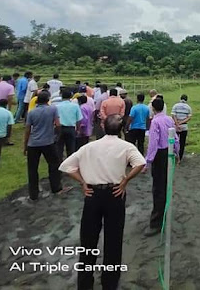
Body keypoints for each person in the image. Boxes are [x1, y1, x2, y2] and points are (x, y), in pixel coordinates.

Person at [59, 114, 146, 290]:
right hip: (115, 193)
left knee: (88, 241)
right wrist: (126, 181)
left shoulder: (89, 147)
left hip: (92, 195)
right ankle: (110, 284)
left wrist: (83, 182)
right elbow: (140, 163)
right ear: (121, 129)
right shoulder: (126, 146)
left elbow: (67, 166)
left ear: (103, 126)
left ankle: (85, 284)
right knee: (114, 241)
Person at [144, 98, 179, 237]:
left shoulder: (155, 122)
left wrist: (148, 161)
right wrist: (177, 151)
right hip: (168, 153)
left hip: (159, 155)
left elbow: (153, 143)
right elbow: (175, 137)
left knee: (158, 188)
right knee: (165, 185)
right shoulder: (169, 119)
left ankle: (156, 223)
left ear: (152, 109)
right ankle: (164, 215)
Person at [23, 91, 67, 201]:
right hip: (48, 142)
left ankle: (33, 194)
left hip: (33, 143)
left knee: (32, 169)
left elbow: (27, 130)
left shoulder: (31, 113)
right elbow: (58, 125)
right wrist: (56, 136)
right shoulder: (52, 109)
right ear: (48, 99)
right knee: (54, 165)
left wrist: (25, 146)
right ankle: (56, 188)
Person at [55, 89, 83, 160]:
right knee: (71, 148)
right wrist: (78, 129)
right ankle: (69, 166)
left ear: (62, 96)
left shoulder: (57, 106)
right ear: (71, 96)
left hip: (60, 128)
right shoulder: (75, 106)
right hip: (71, 128)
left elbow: (55, 119)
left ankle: (59, 165)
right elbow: (79, 120)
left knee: (59, 148)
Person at [171, 94, 192, 162]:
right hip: (184, 126)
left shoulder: (175, 106)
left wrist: (177, 123)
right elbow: (189, 117)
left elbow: (173, 115)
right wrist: (182, 122)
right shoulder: (188, 107)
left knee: (174, 141)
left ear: (180, 98)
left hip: (176, 126)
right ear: (186, 99)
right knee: (182, 142)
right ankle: (180, 158)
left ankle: (174, 155)